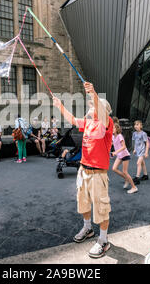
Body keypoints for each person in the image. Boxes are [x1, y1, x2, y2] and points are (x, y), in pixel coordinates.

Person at [52, 82, 113, 258]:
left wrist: (93, 93)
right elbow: (71, 119)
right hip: (83, 171)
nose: (90, 107)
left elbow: (100, 110)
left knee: (101, 208)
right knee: (83, 202)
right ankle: (88, 229)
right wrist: (60, 106)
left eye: (93, 105)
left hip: (97, 173)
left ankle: (103, 240)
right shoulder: (87, 123)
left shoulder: (105, 124)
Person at [112, 123, 137, 194]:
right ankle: (126, 179)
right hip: (119, 155)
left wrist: (116, 152)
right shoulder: (113, 136)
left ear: (117, 129)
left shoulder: (120, 136)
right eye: (111, 128)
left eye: (113, 128)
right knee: (114, 169)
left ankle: (134, 187)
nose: (112, 129)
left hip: (125, 155)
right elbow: (111, 143)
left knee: (125, 172)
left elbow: (124, 147)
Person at [132, 120, 150, 185]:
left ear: (141, 126)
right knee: (142, 163)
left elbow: (147, 143)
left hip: (142, 151)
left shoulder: (143, 134)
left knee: (138, 163)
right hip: (138, 150)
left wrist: (146, 152)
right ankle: (145, 175)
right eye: (135, 125)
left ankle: (137, 178)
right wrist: (134, 149)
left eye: (137, 124)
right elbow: (135, 142)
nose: (136, 126)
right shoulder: (134, 133)